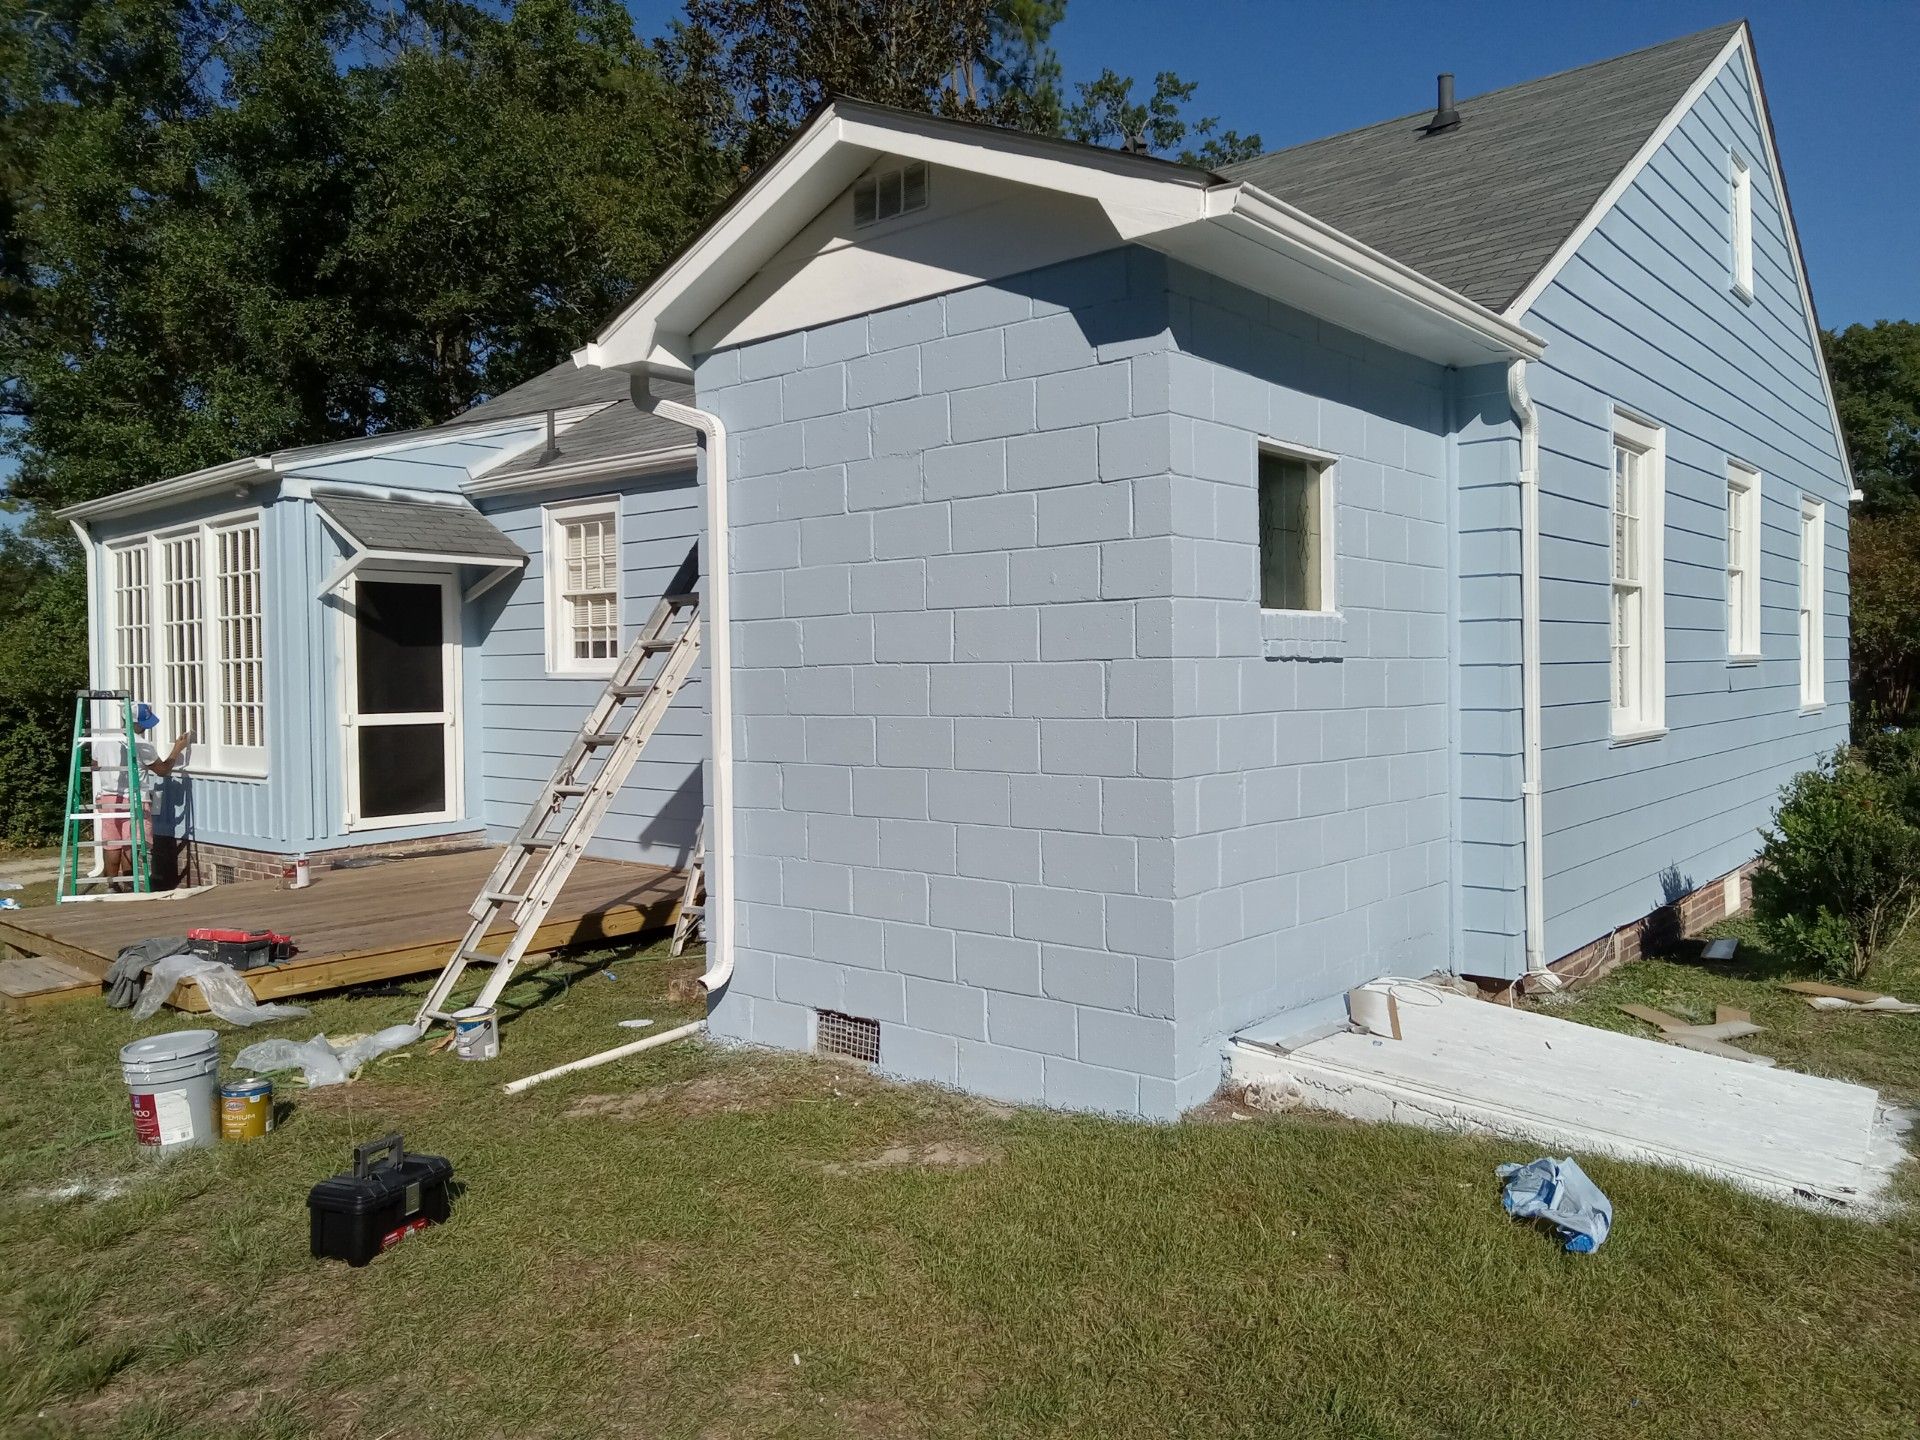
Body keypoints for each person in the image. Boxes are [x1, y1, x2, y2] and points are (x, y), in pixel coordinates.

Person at [95, 703, 190, 885]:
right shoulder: (141, 744)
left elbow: (94, 764)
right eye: (144, 724)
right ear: (135, 723)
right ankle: (131, 885)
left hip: (107, 798)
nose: (147, 728)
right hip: (134, 798)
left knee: (112, 845)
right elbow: (162, 770)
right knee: (130, 845)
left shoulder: (103, 740)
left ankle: (112, 887)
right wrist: (178, 748)